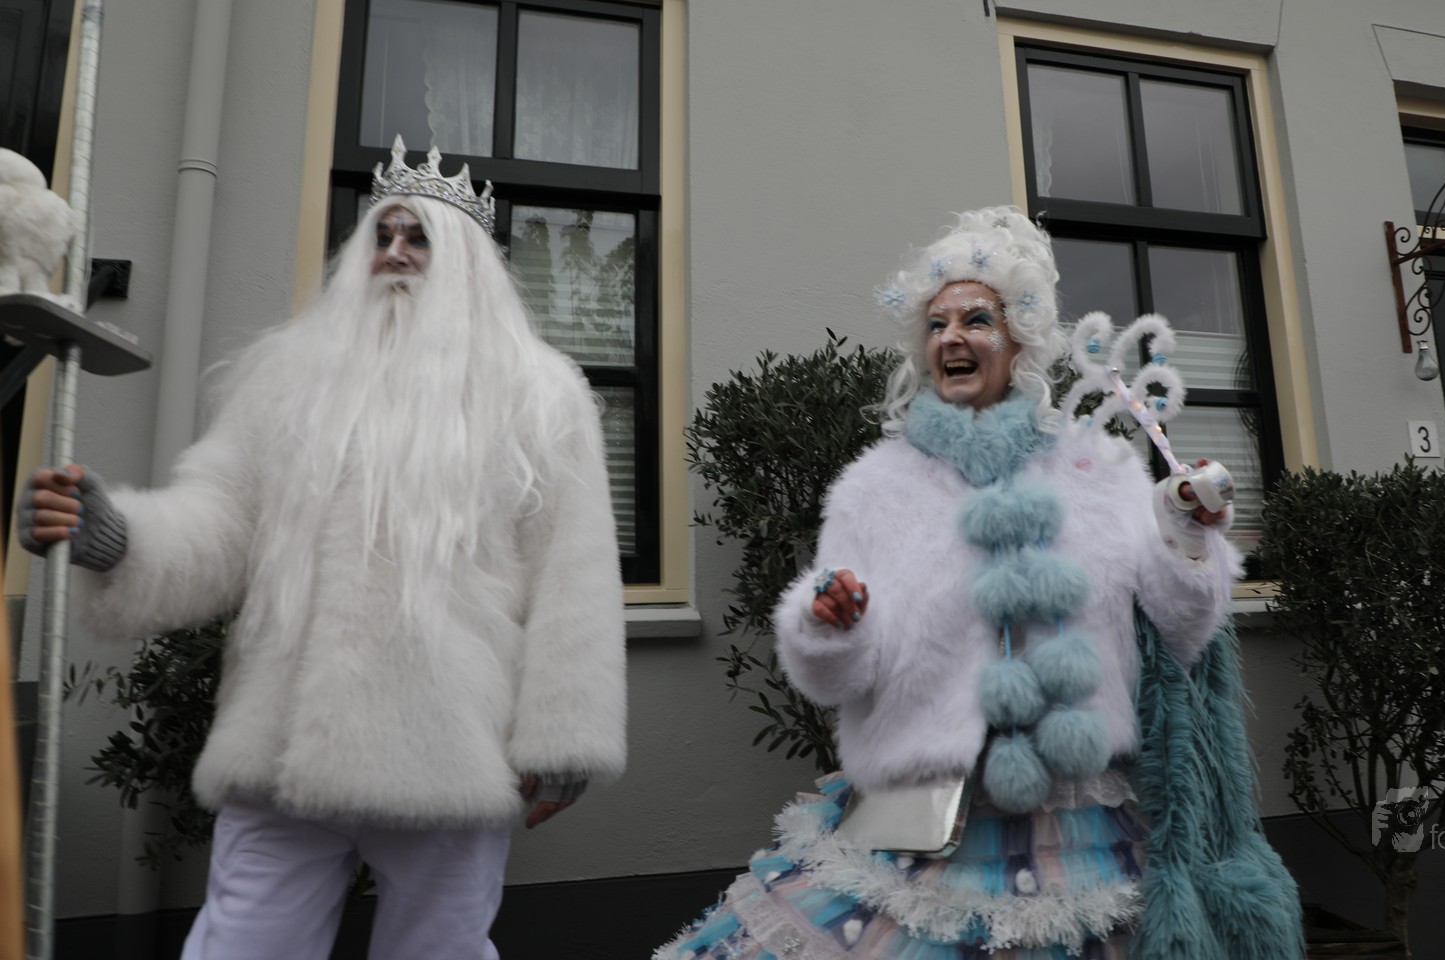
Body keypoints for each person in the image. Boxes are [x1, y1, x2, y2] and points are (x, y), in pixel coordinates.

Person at [19, 138, 627, 960]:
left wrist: (562, 737)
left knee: (438, 951)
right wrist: (118, 539)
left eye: (419, 238)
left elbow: (573, 577)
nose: (396, 253)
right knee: (242, 945)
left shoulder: (540, 393)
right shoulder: (288, 377)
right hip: (285, 747)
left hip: (448, 747)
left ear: (466, 263)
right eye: (382, 235)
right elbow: (222, 519)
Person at [657, 208, 1299, 959]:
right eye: (937, 325)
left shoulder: (1101, 469)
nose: (951, 338)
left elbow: (1179, 635)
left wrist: (1187, 535)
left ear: (1020, 338)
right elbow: (837, 678)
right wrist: (830, 621)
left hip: (1089, 820)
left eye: (976, 320)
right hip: (924, 824)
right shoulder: (874, 489)